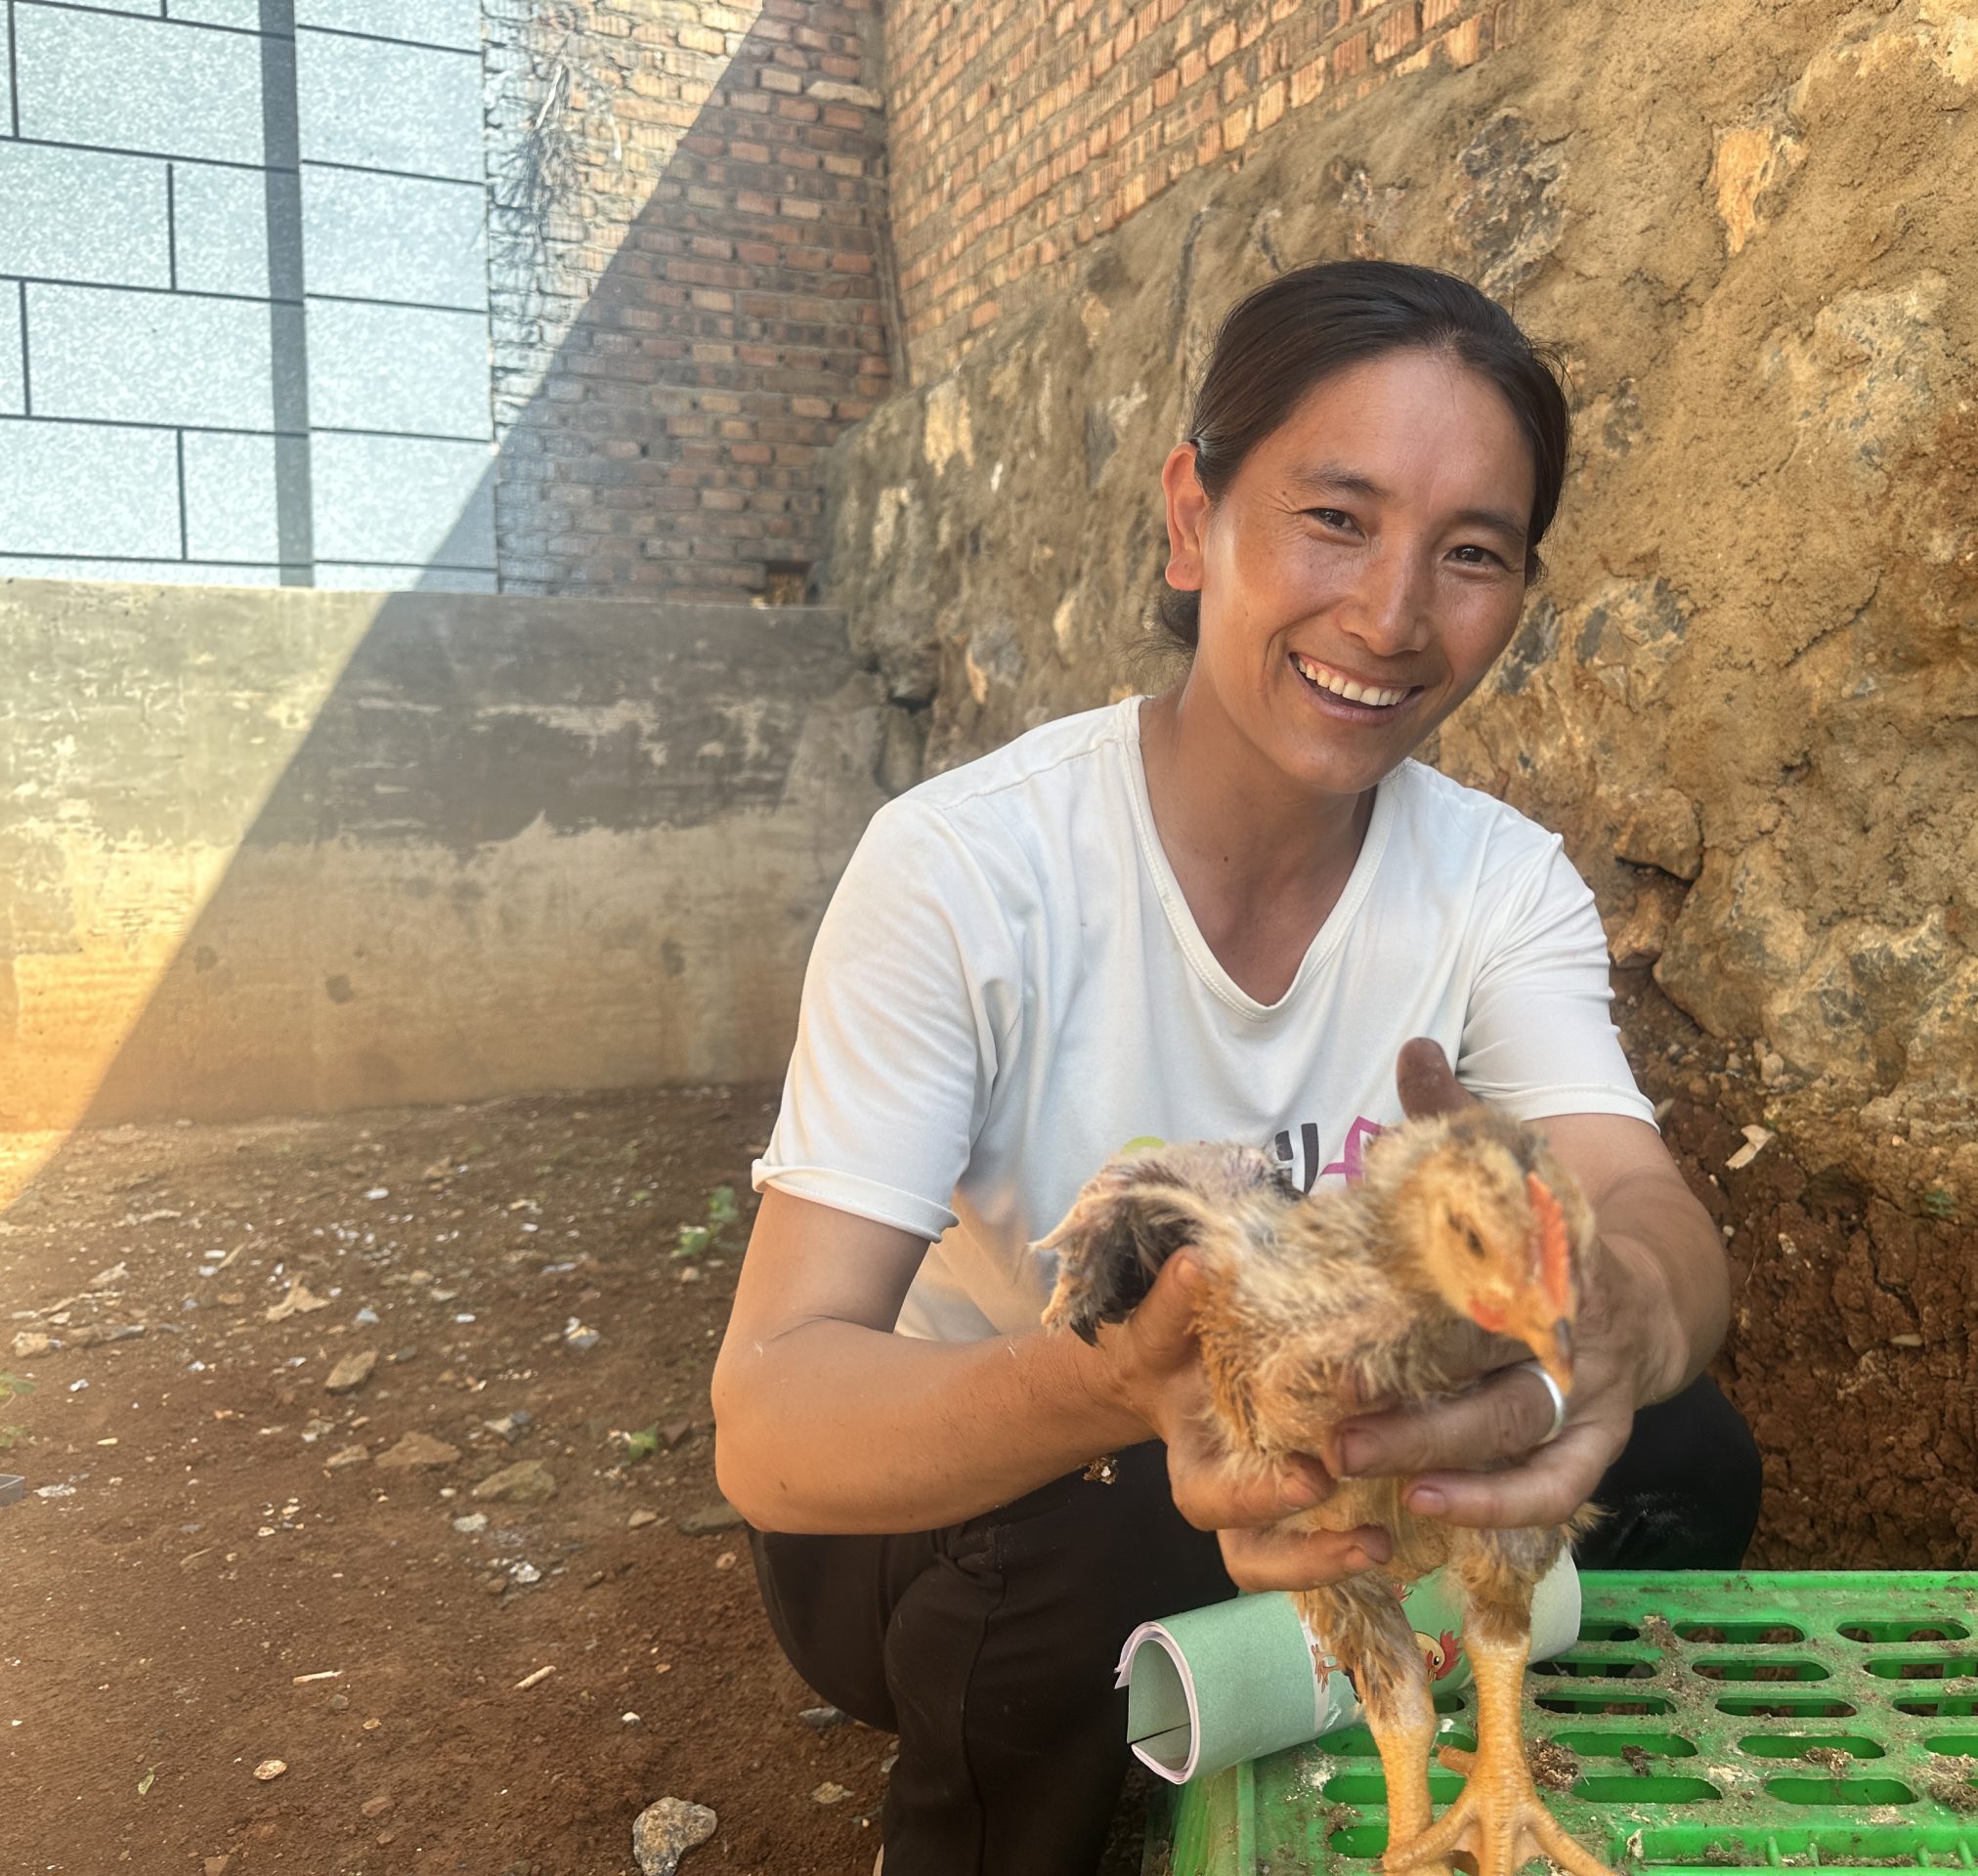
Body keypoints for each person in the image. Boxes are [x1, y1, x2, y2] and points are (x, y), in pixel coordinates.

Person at [710, 259, 1761, 1875]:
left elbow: (1648, 1213)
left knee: (1675, 1448)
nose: (1394, 617)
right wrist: (1116, 1382)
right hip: (947, 1517)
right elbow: (774, 1419)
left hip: (1313, 1449)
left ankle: (1454, 1771)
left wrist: (1615, 1328)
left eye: (1470, 554)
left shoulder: (1497, 883)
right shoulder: (964, 873)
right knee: (1110, 1509)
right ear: (1193, 519)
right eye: (1335, 518)